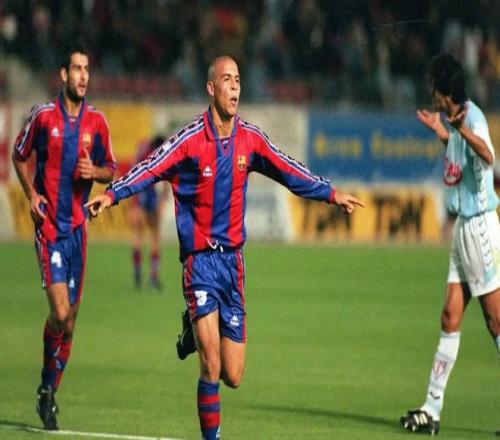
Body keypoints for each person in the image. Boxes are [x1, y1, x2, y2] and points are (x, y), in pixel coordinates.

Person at [85, 55, 364, 440]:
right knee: (211, 366)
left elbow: (288, 169)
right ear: (211, 88)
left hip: (233, 265)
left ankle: (191, 328)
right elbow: (149, 167)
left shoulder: (250, 139)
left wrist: (330, 194)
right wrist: (112, 195)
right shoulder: (189, 141)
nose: (235, 87)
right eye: (227, 79)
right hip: (199, 262)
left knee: (233, 375)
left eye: (238, 80)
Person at [11, 42, 116, 431]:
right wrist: (31, 194)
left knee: (69, 322)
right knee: (58, 312)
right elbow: (19, 155)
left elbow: (111, 169)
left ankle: (48, 391)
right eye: (76, 69)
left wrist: (95, 173)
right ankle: (46, 381)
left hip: (77, 232)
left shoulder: (97, 123)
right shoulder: (43, 117)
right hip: (50, 230)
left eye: (87, 69)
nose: (83, 76)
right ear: (63, 74)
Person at [400, 53, 500, 435]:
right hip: (463, 232)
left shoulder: (473, 119)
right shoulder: (458, 121)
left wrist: (461, 131)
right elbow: (462, 156)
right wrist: (442, 133)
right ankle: (431, 408)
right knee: (449, 318)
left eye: (434, 87)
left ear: (445, 92)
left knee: (496, 322)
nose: (431, 93)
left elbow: (487, 156)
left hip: (479, 229)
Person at [128, 135, 169, 291]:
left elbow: (133, 172)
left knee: (137, 236)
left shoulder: (142, 149)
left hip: (139, 195)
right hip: (151, 196)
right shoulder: (161, 153)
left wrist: (134, 202)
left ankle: (137, 272)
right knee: (155, 236)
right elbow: (165, 178)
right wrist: (163, 200)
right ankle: (153, 276)